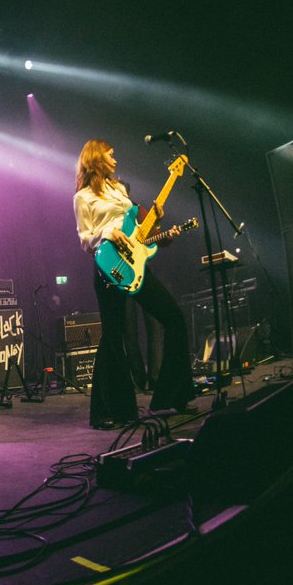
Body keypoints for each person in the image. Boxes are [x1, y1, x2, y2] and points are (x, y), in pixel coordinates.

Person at [72, 139, 194, 430]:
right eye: (110, 154)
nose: (115, 158)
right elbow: (84, 240)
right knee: (114, 337)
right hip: (109, 267)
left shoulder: (120, 190)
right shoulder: (83, 198)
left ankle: (169, 397)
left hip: (137, 263)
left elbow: (138, 229)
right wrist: (107, 234)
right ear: (95, 157)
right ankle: (109, 412)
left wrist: (156, 226)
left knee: (174, 317)